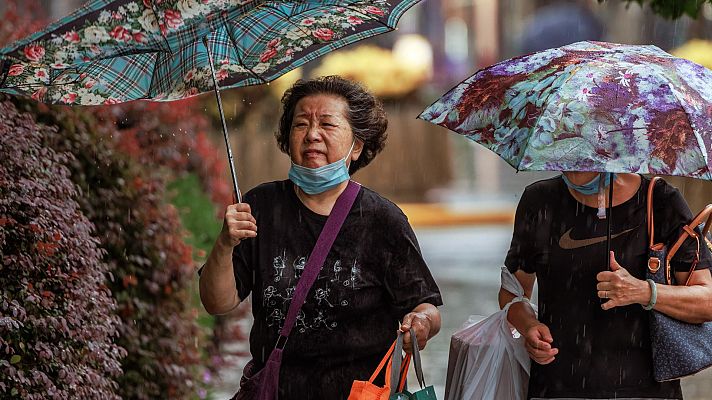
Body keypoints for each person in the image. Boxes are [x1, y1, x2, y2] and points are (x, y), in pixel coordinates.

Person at [199, 76, 442, 399]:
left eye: (327, 124)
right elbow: (217, 303)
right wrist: (225, 244)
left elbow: (426, 305)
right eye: (301, 124)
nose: (312, 134)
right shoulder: (259, 207)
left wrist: (420, 322)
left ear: (357, 145)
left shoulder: (382, 219)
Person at [499, 172, 712, 399]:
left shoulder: (661, 200)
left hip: (646, 391)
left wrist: (644, 291)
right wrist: (528, 326)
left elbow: (706, 301)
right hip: (556, 387)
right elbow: (513, 291)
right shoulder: (539, 199)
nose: (574, 165)